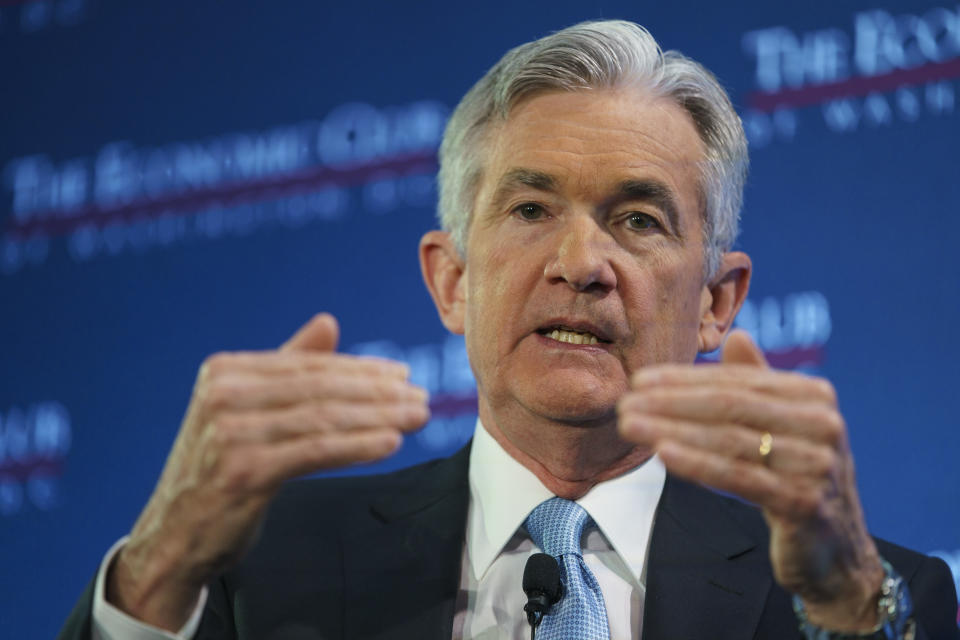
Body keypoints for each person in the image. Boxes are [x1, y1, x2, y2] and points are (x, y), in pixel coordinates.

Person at [60, 19, 958, 640]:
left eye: (639, 220)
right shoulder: (258, 567)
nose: (581, 262)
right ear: (451, 282)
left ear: (718, 304)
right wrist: (160, 566)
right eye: (531, 208)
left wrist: (844, 603)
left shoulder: (858, 593)